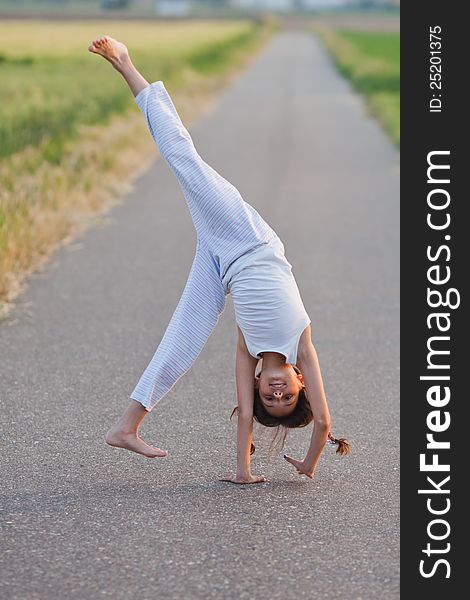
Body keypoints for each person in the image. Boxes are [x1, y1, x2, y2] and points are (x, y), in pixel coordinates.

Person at [88, 36, 351, 485]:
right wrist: (310, 463)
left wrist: (244, 475)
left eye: (272, 401)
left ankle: (126, 426)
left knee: (181, 341)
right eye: (287, 396)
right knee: (184, 158)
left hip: (221, 264)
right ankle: (126, 65)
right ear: (300, 382)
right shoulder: (301, 346)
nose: (276, 394)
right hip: (246, 239)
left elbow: (245, 418)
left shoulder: (247, 352)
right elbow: (324, 423)